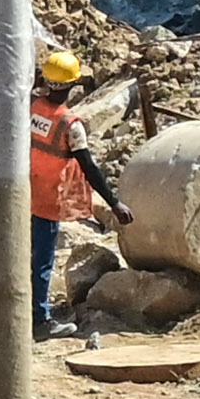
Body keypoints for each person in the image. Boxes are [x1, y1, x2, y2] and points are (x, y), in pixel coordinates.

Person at [30, 45, 119, 342]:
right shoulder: (70, 125)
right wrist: (114, 203)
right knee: (41, 262)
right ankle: (39, 320)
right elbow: (90, 168)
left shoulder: (31, 107)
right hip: (45, 200)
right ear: (72, 85)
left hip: (21, 193)